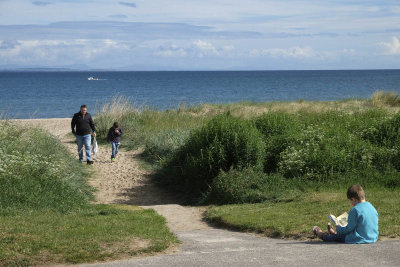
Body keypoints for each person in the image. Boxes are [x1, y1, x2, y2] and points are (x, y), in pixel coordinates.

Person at [313, 184, 379, 244]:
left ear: (353, 199)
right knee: (342, 233)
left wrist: (339, 228)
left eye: (350, 201)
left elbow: (349, 229)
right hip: (372, 237)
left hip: (359, 238)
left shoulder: (355, 210)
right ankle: (333, 233)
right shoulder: (371, 206)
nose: (351, 203)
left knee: (336, 237)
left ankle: (321, 235)